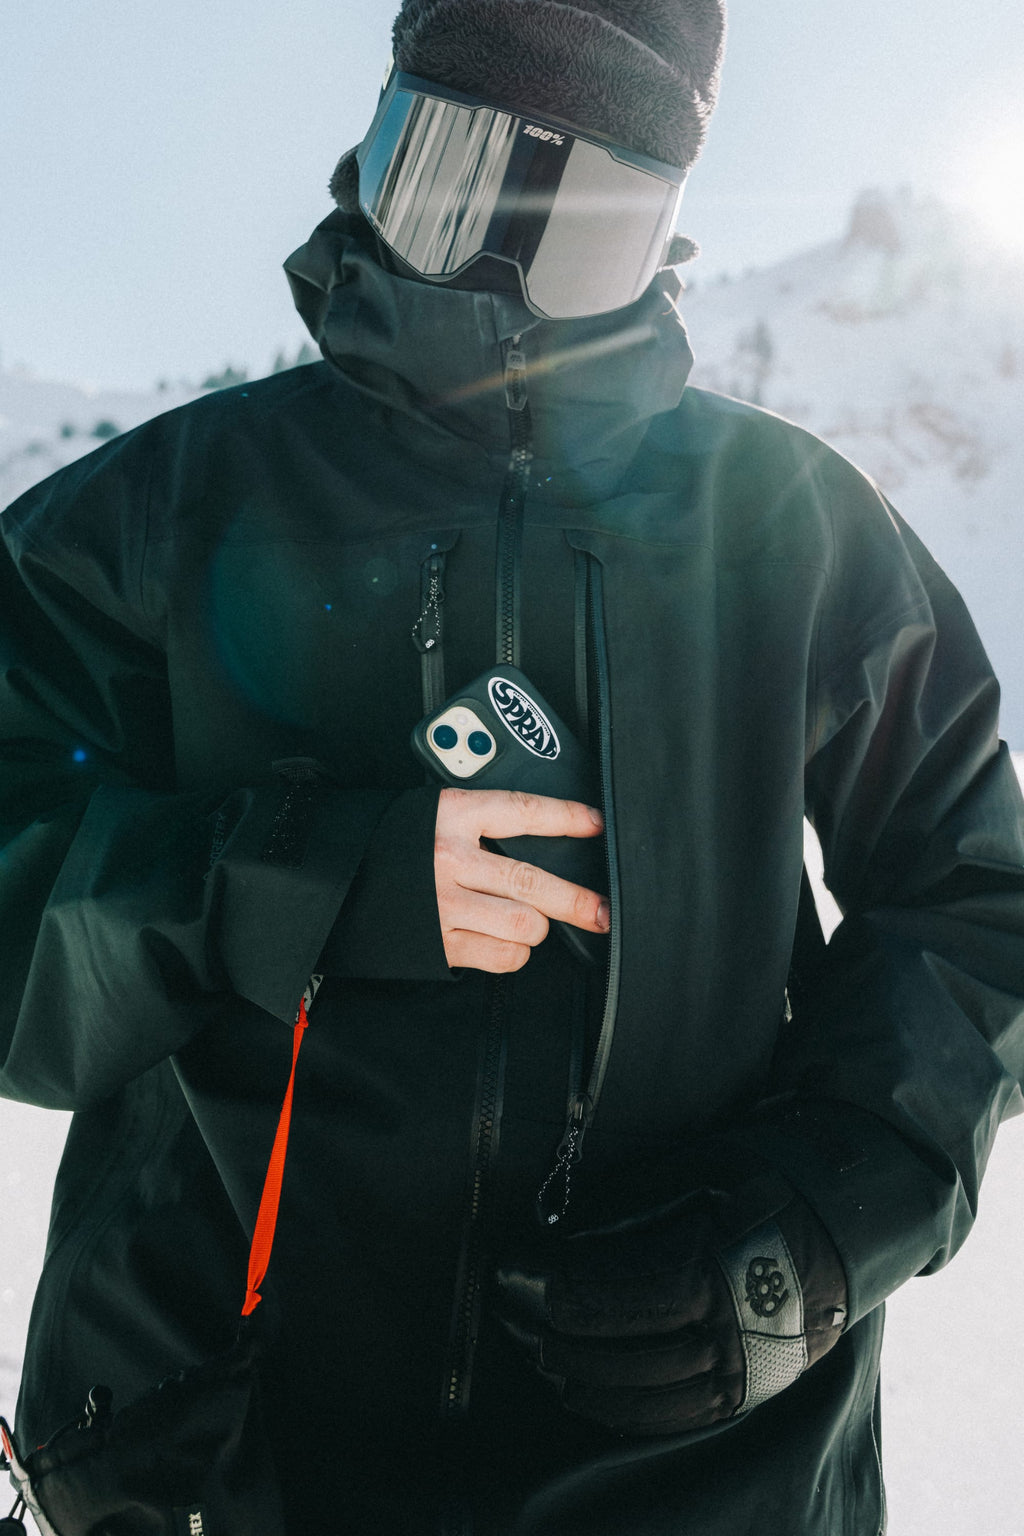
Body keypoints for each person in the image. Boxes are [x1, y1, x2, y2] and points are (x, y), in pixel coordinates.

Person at [2, 0, 1023, 1531]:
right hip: (217, 1454)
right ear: (378, 137)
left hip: (704, 1482)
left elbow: (974, 900)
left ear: (663, 225)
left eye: (577, 224)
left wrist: (811, 1234)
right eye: (450, 172)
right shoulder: (170, 515)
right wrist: (305, 884)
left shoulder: (792, 531)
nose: (487, 267)